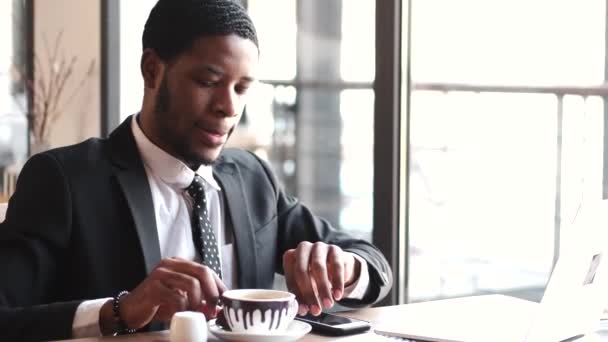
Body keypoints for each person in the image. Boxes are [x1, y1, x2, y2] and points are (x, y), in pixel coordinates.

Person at [0, 0, 392, 340]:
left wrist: (345, 267)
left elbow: (374, 263)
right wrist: (120, 311)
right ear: (152, 70)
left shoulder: (252, 178)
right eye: (209, 81)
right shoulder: (64, 181)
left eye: (241, 88)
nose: (229, 107)